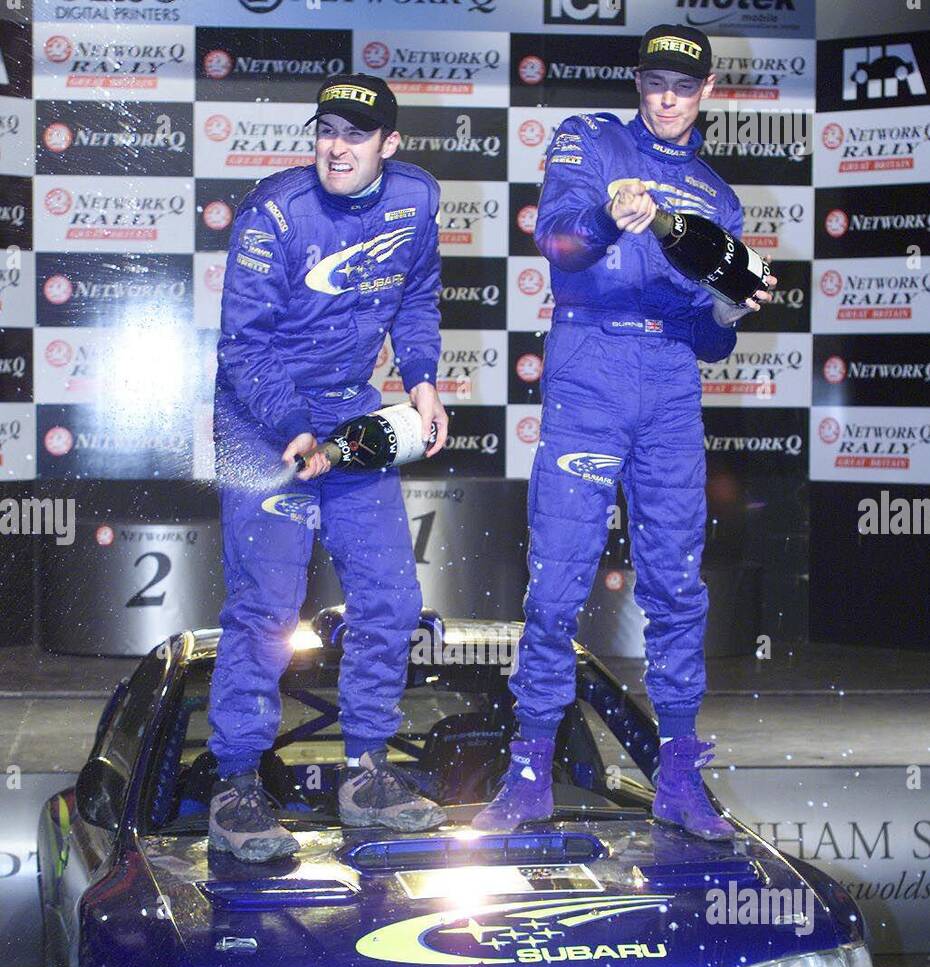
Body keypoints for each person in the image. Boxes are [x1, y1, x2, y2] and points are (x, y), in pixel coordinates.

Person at [474, 24, 775, 839]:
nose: (667, 98)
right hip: (591, 365)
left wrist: (728, 304)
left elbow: (714, 340)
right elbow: (559, 243)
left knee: (676, 580)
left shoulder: (718, 196)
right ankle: (529, 767)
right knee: (561, 573)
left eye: (683, 85)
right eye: (654, 83)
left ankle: (679, 774)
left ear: (707, 90)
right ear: (639, 84)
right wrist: (609, 216)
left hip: (672, 379)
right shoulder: (590, 141)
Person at [207, 75, 449, 861]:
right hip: (260, 417)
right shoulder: (274, 214)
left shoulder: (416, 199)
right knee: (269, 606)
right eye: (326, 132)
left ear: (390, 143)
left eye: (355, 134)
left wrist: (420, 380)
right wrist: (299, 431)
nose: (336, 148)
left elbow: (417, 295)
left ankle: (366, 772)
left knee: (390, 595)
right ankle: (238, 786)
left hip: (351, 412)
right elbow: (242, 347)